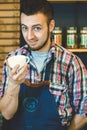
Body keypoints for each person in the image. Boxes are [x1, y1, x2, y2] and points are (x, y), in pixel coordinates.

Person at [0, 0, 87, 130]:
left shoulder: (71, 63)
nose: (29, 36)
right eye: (25, 28)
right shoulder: (12, 60)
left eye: (37, 28)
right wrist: (13, 84)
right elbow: (6, 114)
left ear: (51, 26)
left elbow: (83, 112)